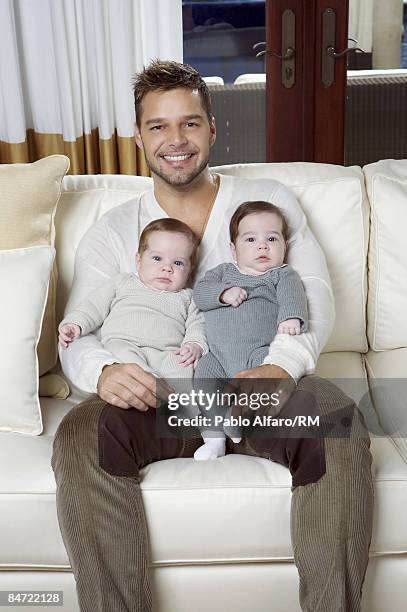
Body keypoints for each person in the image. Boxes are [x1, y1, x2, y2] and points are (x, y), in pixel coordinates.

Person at [51, 60, 373, 612]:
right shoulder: (112, 231)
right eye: (158, 126)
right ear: (138, 137)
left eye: (190, 123)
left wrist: (280, 367)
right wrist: (103, 371)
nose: (175, 141)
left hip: (262, 385)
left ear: (213, 129)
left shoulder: (268, 198)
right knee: (81, 438)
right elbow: (82, 325)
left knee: (338, 430)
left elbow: (312, 289)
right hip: (164, 396)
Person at [193, 200, 308, 460]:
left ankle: (237, 418)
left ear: (285, 246)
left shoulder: (281, 275)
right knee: (203, 381)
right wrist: (222, 294)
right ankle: (214, 439)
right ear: (233, 250)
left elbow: (294, 296)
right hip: (218, 356)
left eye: (272, 238)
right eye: (250, 239)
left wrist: (291, 317)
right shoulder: (222, 273)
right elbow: (199, 294)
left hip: (259, 354)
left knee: (263, 387)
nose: (262, 245)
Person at [58, 218, 207, 390]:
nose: (167, 268)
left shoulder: (188, 297)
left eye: (178, 263)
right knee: (125, 360)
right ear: (138, 260)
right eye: (157, 258)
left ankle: (186, 412)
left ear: (190, 270)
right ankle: (151, 386)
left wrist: (194, 345)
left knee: (182, 370)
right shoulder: (123, 282)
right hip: (125, 343)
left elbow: (198, 325)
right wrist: (76, 323)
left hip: (168, 353)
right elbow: (93, 305)